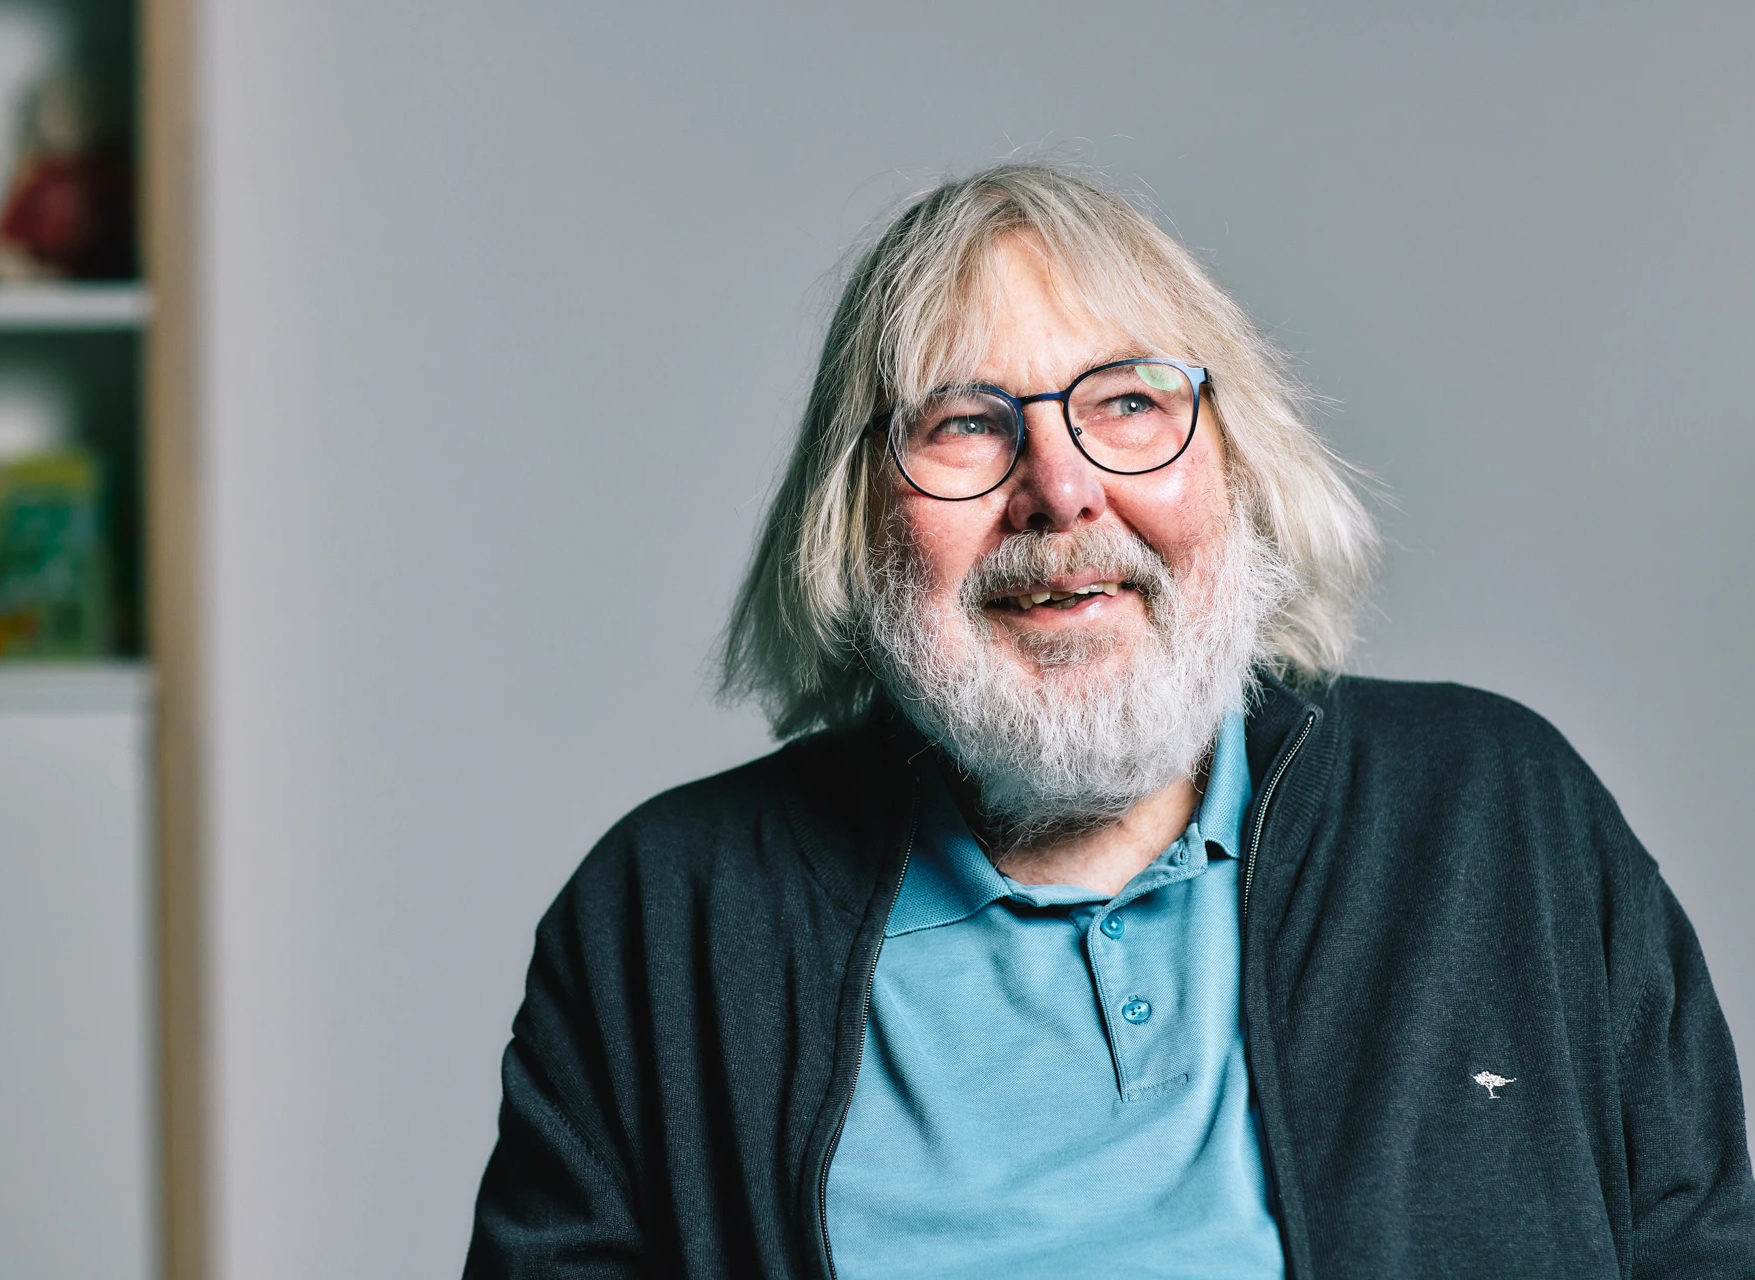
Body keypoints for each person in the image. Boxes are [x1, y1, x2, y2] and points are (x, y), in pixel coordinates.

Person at [466, 164, 1755, 1278]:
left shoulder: (1497, 816)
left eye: (1129, 403)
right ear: (857, 517)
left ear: (1234, 462)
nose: (1063, 491)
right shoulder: (667, 920)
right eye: (967, 424)